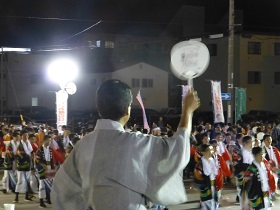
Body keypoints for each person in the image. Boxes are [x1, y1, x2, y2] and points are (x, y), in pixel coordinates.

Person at [52, 79, 200, 210]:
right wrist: (187, 111)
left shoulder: (82, 146)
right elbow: (176, 150)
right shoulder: (135, 142)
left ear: (99, 108)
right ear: (127, 109)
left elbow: (62, 188)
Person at [35, 135, 64, 208]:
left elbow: (56, 157)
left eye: (50, 140)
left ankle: (48, 198)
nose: (49, 142)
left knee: (51, 184)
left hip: (50, 167)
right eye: (48, 140)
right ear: (44, 140)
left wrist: (56, 166)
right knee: (42, 185)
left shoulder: (50, 149)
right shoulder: (39, 150)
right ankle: (41, 201)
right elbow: (37, 159)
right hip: (42, 168)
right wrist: (42, 165)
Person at [194, 144, 218, 210]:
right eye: (209, 150)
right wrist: (204, 187)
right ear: (203, 152)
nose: (211, 152)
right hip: (206, 189)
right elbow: (197, 178)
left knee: (214, 205)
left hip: (213, 187)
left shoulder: (213, 161)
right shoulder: (199, 164)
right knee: (207, 206)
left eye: (211, 150)